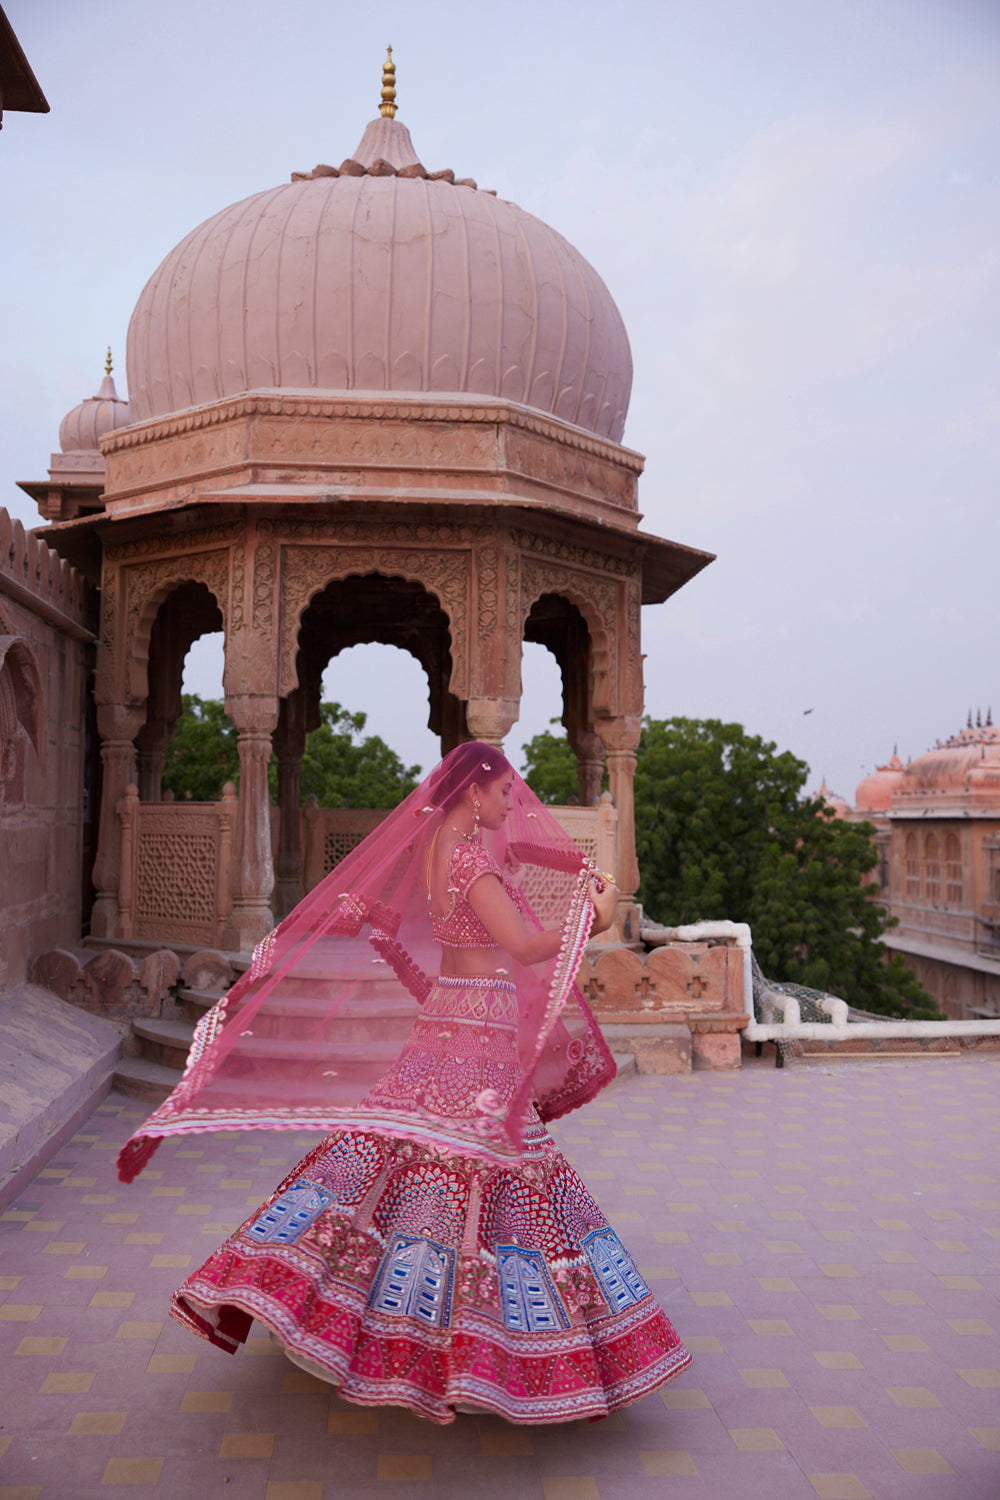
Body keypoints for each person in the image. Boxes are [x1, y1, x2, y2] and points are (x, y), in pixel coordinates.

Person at [118, 742, 691, 1424]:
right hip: (474, 1038)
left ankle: (371, 1315)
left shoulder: (441, 850)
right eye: (507, 792)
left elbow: (468, 931)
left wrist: (559, 871)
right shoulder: (472, 860)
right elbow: (527, 946)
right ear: (474, 793)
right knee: (486, 1178)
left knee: (402, 1165)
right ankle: (466, 1352)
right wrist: (595, 915)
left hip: (454, 1016)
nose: (515, 805)